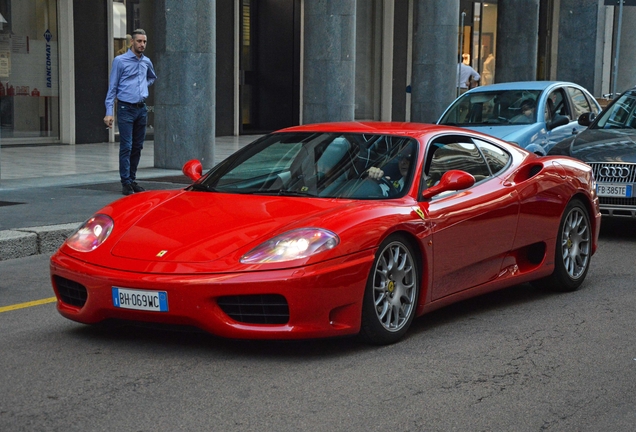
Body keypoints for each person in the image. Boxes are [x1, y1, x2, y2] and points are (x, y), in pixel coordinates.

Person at [104, 29, 157, 196]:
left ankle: (132, 179)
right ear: (132, 42)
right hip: (125, 108)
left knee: (138, 146)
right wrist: (109, 112)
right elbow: (112, 88)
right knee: (126, 146)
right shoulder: (120, 61)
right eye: (139, 41)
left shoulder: (146, 62)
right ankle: (125, 182)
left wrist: (142, 87)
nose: (142, 44)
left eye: (144, 42)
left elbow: (152, 77)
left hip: (141, 109)